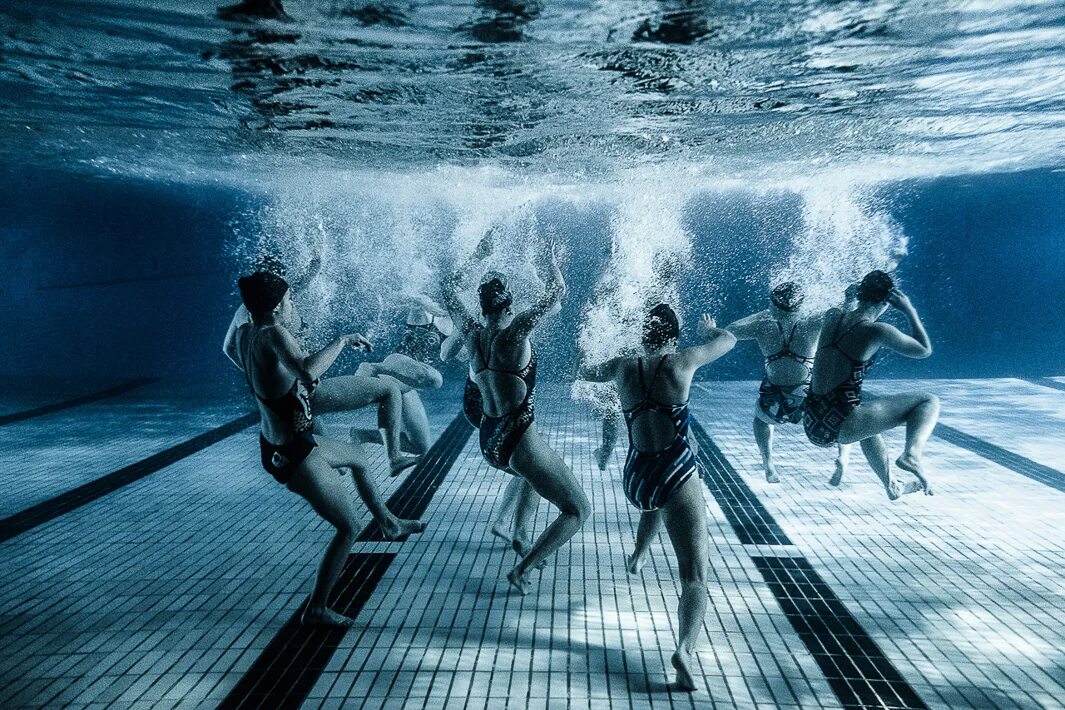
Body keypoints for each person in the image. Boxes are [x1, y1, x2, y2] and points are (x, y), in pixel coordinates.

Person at [234, 272, 425, 627]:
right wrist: (341, 340)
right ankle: (317, 609)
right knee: (348, 528)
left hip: (287, 442)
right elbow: (307, 372)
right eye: (290, 300)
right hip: (294, 454)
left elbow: (247, 358)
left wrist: (273, 387)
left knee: (358, 457)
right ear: (276, 307)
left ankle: (388, 523)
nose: (293, 305)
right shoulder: (273, 334)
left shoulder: (247, 331)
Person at [579, 303, 736, 692]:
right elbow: (729, 340)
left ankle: (638, 554)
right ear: (673, 335)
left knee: (656, 502)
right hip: (674, 470)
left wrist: (590, 341)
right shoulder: (681, 362)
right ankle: (685, 649)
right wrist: (711, 328)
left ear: (641, 334)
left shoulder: (621, 366)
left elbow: (583, 370)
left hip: (636, 475)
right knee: (695, 575)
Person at [444, 232, 590, 595]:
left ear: (481, 309)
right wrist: (552, 260)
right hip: (519, 440)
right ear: (510, 309)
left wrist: (477, 254)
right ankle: (521, 570)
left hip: (488, 439)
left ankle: (521, 534)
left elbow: (448, 289)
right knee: (577, 511)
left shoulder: (470, 332)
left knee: (532, 476)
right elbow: (557, 292)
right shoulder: (517, 333)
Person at [224, 256, 419, 475]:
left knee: (336, 464)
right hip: (300, 390)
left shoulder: (265, 303)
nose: (285, 289)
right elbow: (303, 370)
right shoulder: (263, 320)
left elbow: (229, 348)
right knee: (389, 391)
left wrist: (317, 257)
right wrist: (266, 378)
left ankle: (334, 475)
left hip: (295, 393)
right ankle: (392, 458)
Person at [803, 270, 938, 499]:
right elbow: (924, 350)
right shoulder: (876, 330)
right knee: (928, 401)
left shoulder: (832, 315)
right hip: (843, 423)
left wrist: (848, 300)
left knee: (868, 420)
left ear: (859, 294)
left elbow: (844, 313)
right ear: (887, 302)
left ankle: (891, 485)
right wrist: (909, 310)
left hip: (813, 421)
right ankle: (911, 455)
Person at [727, 282, 837, 483]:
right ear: (801, 304)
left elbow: (731, 330)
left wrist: (762, 313)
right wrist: (847, 299)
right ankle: (842, 457)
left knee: (761, 419)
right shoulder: (811, 323)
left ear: (773, 304)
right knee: (839, 414)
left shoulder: (763, 324)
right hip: (805, 394)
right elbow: (839, 314)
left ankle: (768, 464)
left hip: (774, 396)